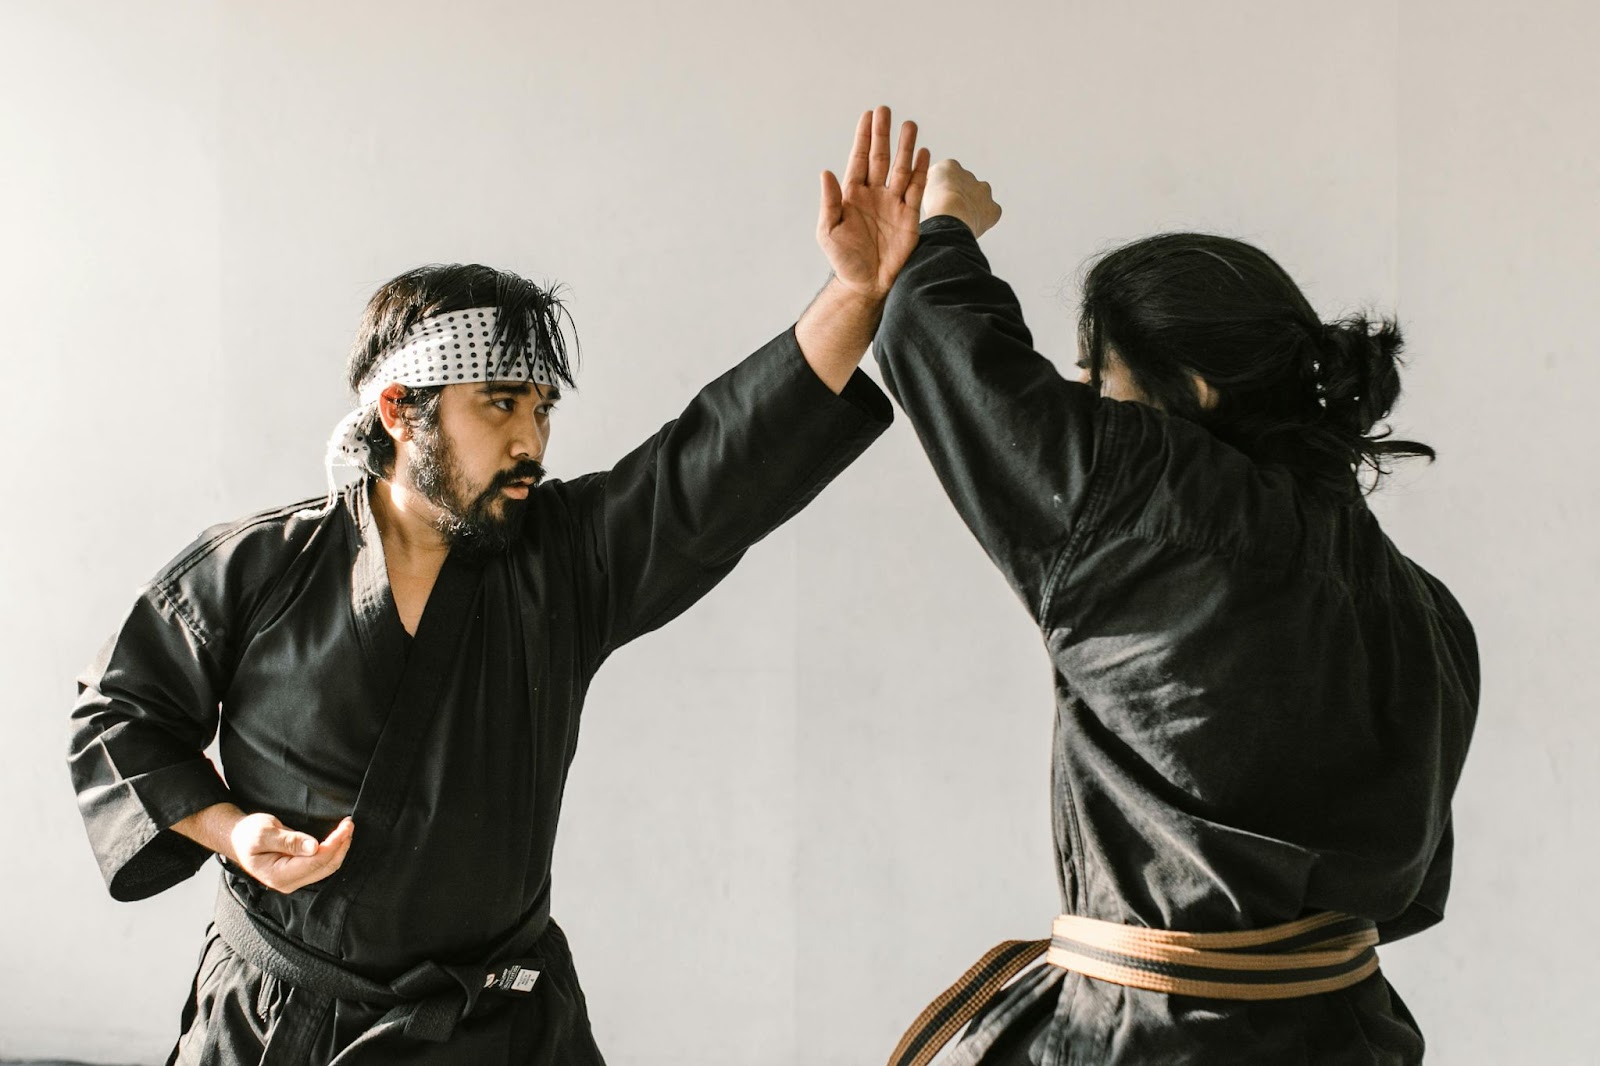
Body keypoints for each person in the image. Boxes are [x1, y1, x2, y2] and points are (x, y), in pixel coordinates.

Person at [68, 106, 930, 1065]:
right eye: (499, 403)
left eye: (542, 406)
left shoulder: (566, 562)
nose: (532, 440)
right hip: (284, 1026)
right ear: (401, 410)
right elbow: (121, 718)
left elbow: (712, 462)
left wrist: (855, 295)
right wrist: (232, 831)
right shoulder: (256, 569)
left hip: (500, 1030)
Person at [874, 161, 1477, 1065]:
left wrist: (947, 226)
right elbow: (1412, 890)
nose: (1089, 408)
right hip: (1354, 1035)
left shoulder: (1144, 506)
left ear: (1190, 391)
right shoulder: (1428, 612)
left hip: (1148, 1043)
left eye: (1099, 380)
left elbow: (938, 339)